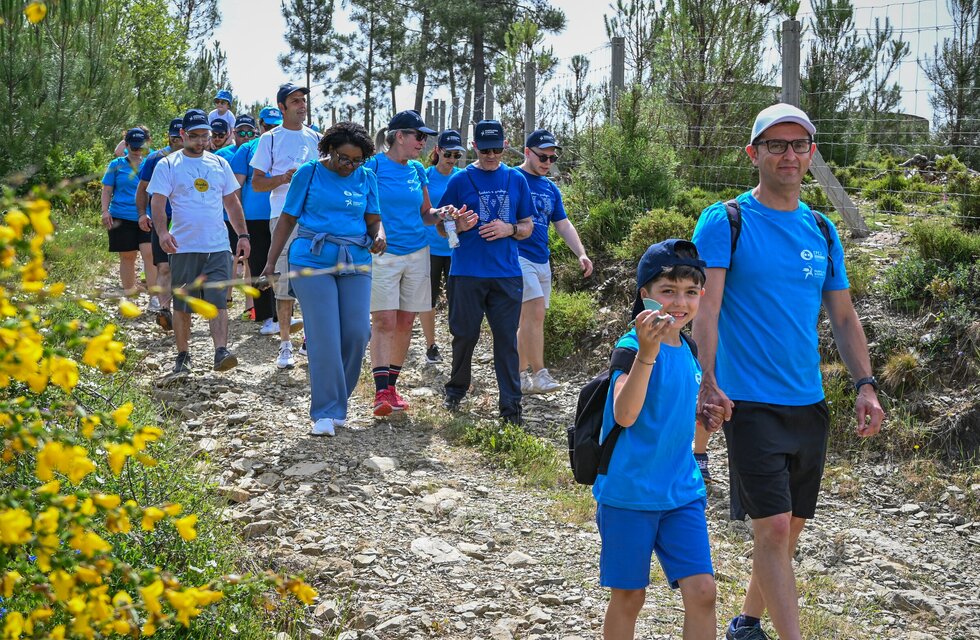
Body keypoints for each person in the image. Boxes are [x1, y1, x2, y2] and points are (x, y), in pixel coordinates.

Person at [691, 103, 885, 640]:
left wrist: (865, 385)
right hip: (747, 401)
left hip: (808, 402)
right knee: (774, 527)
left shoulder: (821, 229)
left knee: (789, 528)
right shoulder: (725, 220)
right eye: (775, 145)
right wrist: (707, 381)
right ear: (753, 154)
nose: (788, 155)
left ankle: (747, 622)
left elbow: (843, 316)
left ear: (812, 153)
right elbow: (706, 310)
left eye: (798, 145)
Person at [595, 239, 722, 640]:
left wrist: (703, 414)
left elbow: (670, 408)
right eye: (668, 291)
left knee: (703, 592)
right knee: (629, 596)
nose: (679, 303)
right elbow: (625, 414)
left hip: (681, 491)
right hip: (629, 493)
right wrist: (647, 353)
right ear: (645, 295)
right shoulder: (632, 347)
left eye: (690, 292)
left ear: (701, 295)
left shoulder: (688, 347)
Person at [260, 122, 385, 436]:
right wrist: (271, 262)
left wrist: (379, 235)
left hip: (355, 259)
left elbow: (373, 219)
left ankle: (338, 399)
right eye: (344, 158)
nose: (349, 166)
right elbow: (287, 218)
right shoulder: (310, 172)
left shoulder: (366, 177)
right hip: (311, 259)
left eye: (357, 161)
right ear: (329, 150)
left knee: (357, 332)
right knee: (325, 335)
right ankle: (326, 412)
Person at [436, 119, 534, 425]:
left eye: (496, 150)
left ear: (505, 146)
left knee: (506, 340)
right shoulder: (459, 181)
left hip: (506, 274)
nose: (491, 156)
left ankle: (511, 408)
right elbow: (441, 228)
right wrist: (458, 225)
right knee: (465, 335)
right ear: (474, 146)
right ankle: (456, 389)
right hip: (467, 272)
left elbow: (528, 226)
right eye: (485, 150)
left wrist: (510, 228)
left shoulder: (516, 179)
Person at [147, 109, 251, 375]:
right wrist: (162, 233)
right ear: (182, 134)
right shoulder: (168, 164)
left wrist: (242, 235)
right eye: (195, 136)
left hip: (217, 245)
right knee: (183, 305)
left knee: (218, 302)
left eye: (205, 135)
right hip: (183, 246)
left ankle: (220, 351)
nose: (201, 141)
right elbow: (157, 203)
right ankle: (183, 356)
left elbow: (232, 202)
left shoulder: (219, 164)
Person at [365, 110, 446, 416]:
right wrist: (374, 233)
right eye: (419, 136)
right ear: (399, 136)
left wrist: (442, 214)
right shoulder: (373, 166)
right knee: (384, 320)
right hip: (383, 254)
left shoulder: (417, 169)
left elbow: (426, 213)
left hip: (417, 253)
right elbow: (363, 208)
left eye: (425, 138)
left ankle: (391, 387)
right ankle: (380, 392)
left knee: (405, 322)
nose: (424, 143)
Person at [515, 129, 592, 393]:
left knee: (531, 319)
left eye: (552, 158)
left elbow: (563, 224)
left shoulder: (550, 188)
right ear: (527, 152)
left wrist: (581, 253)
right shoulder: (512, 178)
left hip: (542, 259)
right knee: (535, 312)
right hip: (517, 256)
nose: (547, 162)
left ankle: (518, 375)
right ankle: (540, 374)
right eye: (542, 157)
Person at [250, 86, 320, 369]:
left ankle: (309, 342)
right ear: (282, 107)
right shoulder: (269, 139)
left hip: (314, 217)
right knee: (283, 282)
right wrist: (283, 178)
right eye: (295, 101)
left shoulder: (315, 137)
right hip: (282, 216)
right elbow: (256, 183)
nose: (302, 105)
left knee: (314, 279)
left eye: (303, 100)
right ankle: (285, 345)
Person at [419, 129, 465, 364]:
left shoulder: (462, 177)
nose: (452, 159)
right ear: (437, 151)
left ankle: (459, 344)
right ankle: (431, 346)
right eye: (448, 154)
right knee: (428, 299)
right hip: (430, 248)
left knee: (458, 300)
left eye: (457, 155)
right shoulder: (425, 176)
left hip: (456, 248)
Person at [137, 117, 183, 327]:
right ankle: (165, 311)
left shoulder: (199, 158)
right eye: (174, 138)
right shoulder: (155, 158)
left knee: (183, 268)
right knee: (163, 266)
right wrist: (142, 214)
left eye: (180, 138)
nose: (177, 142)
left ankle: (184, 312)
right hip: (161, 219)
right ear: (169, 137)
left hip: (188, 221)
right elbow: (142, 189)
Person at [101, 127, 155, 300]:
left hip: (146, 216)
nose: (137, 150)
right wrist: (105, 211)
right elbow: (107, 189)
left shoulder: (150, 163)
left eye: (140, 146)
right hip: (121, 215)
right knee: (127, 256)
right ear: (126, 145)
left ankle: (155, 297)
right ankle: (129, 293)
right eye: (133, 146)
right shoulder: (116, 165)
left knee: (149, 254)